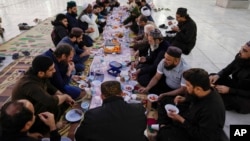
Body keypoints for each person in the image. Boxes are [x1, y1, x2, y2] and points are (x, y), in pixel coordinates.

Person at [12, 55, 75, 135]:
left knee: (64, 101)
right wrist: (65, 96)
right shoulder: (30, 84)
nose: (54, 71)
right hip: (26, 117)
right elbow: (50, 101)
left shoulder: (37, 74)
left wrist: (62, 95)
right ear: (41, 73)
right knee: (55, 104)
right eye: (51, 69)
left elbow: (49, 86)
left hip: (36, 103)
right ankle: (50, 126)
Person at [157, 68, 225, 141]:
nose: (186, 87)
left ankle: (165, 128)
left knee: (166, 135)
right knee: (165, 100)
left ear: (198, 89)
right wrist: (185, 99)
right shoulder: (205, 90)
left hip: (197, 133)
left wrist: (181, 120)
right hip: (191, 114)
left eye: (188, 85)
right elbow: (195, 98)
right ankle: (164, 125)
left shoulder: (211, 110)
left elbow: (203, 136)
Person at [75, 81, 147, 141]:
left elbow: (79, 136)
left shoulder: (92, 115)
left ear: (102, 96)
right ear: (122, 94)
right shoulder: (138, 109)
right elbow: (142, 128)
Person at [209, 41, 250, 114]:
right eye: (242, 48)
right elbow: (228, 69)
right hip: (236, 85)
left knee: (238, 102)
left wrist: (229, 90)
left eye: (244, 50)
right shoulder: (240, 56)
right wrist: (217, 75)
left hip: (245, 95)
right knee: (212, 77)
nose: (240, 51)